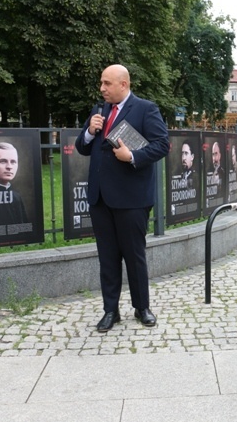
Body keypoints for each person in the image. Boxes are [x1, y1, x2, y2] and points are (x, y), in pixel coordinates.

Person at [75, 64, 169, 332]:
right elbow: (83, 148)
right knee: (107, 257)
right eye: (101, 83)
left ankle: (142, 308)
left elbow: (162, 144)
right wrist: (90, 131)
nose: (102, 88)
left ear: (123, 85)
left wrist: (133, 157)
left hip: (132, 198)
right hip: (101, 197)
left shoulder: (145, 109)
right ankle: (110, 310)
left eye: (107, 83)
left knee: (134, 255)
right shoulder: (99, 110)